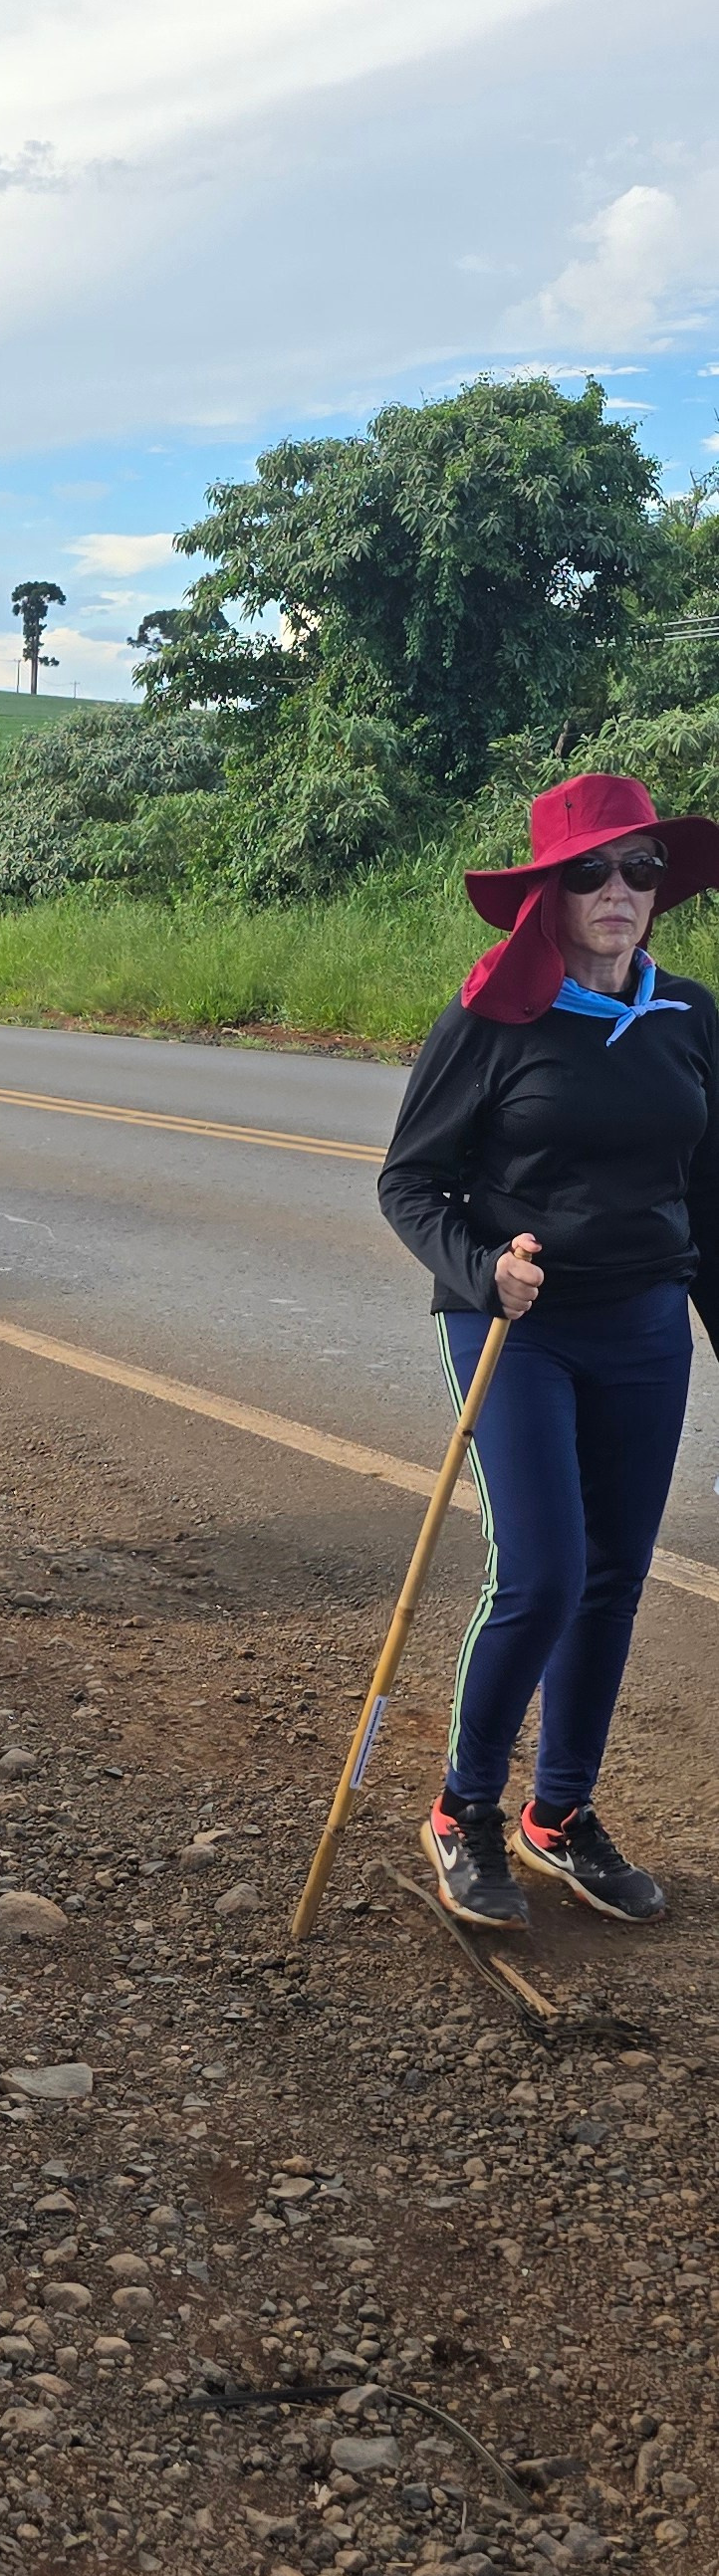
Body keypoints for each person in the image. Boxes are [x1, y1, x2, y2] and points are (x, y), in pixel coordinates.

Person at [377, 771, 719, 1932]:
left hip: (641, 1326)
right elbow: (409, 1182)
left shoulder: (688, 1017)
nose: (618, 891)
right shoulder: (490, 1018)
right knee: (541, 1575)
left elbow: (708, 1197)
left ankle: (556, 1815)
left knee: (615, 1577)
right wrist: (485, 1272)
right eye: (589, 871)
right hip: (511, 1326)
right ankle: (462, 1807)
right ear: (548, 894)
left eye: (639, 869)